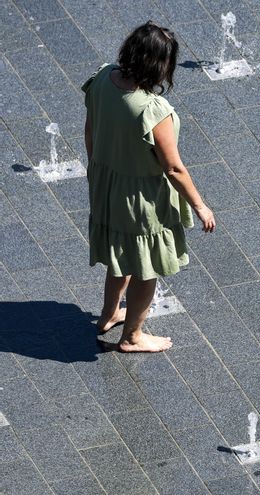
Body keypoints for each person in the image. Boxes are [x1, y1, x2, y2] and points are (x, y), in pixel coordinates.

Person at [82, 21, 215, 353]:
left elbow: (90, 127)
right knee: (146, 267)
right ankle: (132, 337)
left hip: (107, 183)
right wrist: (200, 205)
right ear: (160, 65)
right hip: (141, 200)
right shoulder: (153, 111)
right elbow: (173, 167)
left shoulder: (102, 78)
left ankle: (109, 314)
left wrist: (95, 168)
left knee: (121, 255)